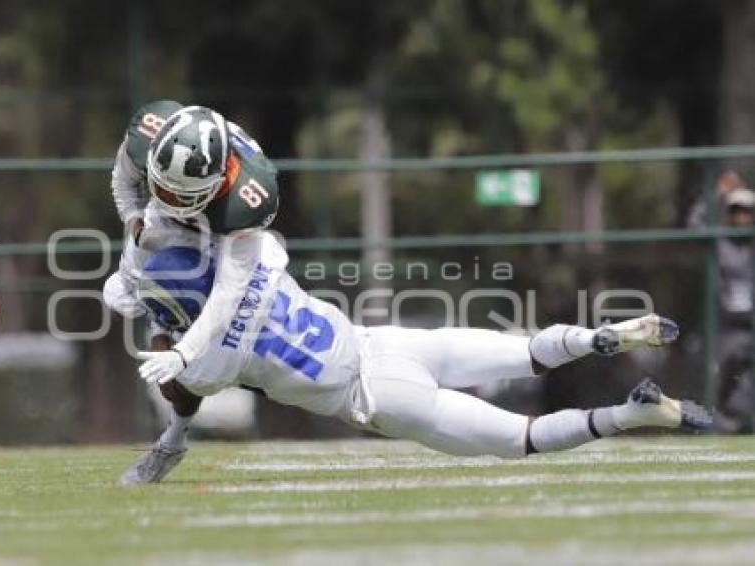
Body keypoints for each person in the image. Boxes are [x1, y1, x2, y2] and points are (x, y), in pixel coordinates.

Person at [115, 238, 711, 485]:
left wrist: (172, 364)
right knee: (527, 350)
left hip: (377, 398)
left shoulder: (202, 363)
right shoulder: (258, 254)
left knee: (524, 440)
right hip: (387, 342)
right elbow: (233, 252)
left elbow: (186, 393)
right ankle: (596, 337)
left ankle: (632, 417)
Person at [102, 102, 279, 482]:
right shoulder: (145, 137)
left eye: (182, 195)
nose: (171, 200)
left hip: (225, 237)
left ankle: (241, 378)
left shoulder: (248, 193)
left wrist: (185, 353)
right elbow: (122, 182)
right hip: (167, 233)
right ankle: (175, 436)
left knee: (219, 347)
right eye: (162, 187)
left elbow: (229, 292)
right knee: (121, 293)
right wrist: (135, 223)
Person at [688, 170, 755, 432]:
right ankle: (713, 423)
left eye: (747, 211)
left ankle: (733, 420)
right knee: (714, 380)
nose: (741, 216)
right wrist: (716, 195)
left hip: (751, 326)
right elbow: (695, 223)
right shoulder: (720, 243)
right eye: (736, 210)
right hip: (724, 327)